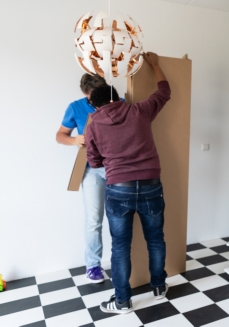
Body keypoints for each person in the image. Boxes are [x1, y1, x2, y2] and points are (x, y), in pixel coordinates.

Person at [85, 52, 171, 314]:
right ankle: (159, 287)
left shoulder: (93, 125)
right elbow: (164, 92)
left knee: (121, 246)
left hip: (118, 189)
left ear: (95, 105)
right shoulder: (139, 110)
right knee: (155, 238)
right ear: (116, 97)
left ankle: (122, 301)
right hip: (151, 184)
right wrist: (155, 64)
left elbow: (94, 161)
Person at [56, 73, 108, 283]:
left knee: (122, 217)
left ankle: (124, 261)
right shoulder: (75, 107)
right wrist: (75, 140)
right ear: (85, 93)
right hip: (91, 170)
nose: (96, 100)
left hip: (118, 167)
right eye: (92, 96)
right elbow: (60, 135)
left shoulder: (119, 101)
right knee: (94, 220)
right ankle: (93, 266)